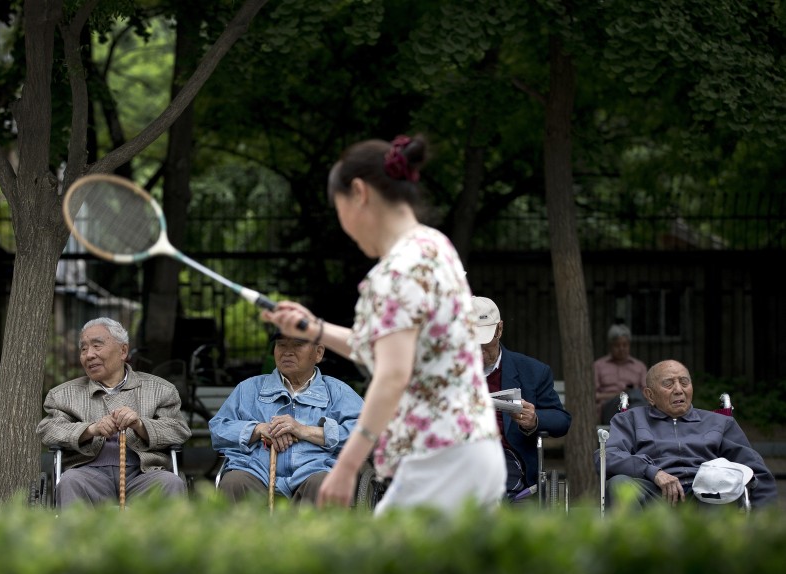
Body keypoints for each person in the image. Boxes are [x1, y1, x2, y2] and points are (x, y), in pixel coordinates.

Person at [262, 134, 505, 516]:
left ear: (359, 193)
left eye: (339, 209)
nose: (343, 226)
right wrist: (313, 328)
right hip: (473, 450)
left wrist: (345, 465)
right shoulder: (434, 246)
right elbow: (383, 346)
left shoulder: (395, 270)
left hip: (438, 460)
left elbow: (393, 373)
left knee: (385, 573)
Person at [37, 317, 191, 508]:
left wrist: (140, 425)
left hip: (143, 473)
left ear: (123, 351)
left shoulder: (160, 389)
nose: (89, 355)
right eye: (84, 349)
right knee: (69, 481)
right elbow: (48, 430)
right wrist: (90, 430)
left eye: (97, 346)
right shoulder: (63, 395)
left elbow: (179, 429)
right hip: (88, 473)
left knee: (171, 483)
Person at [596, 359, 777, 509]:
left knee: (721, 485)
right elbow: (606, 456)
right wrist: (653, 472)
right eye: (668, 383)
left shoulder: (719, 422)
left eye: (684, 382)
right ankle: (631, 551)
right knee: (619, 484)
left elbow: (756, 471)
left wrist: (763, 524)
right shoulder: (630, 420)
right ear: (650, 395)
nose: (678, 389)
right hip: (653, 494)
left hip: (705, 498)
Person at [210, 331, 364, 505]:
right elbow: (218, 430)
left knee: (324, 484)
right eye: (281, 345)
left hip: (314, 472)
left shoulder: (338, 392)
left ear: (318, 353)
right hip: (256, 472)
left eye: (298, 344)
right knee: (234, 482)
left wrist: (304, 431)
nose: (287, 352)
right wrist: (258, 429)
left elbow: (366, 435)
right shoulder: (248, 389)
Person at [471, 296, 572, 501]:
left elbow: (561, 421)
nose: (479, 349)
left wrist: (534, 420)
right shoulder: (446, 371)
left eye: (485, 340)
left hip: (504, 454)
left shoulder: (532, 371)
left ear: (499, 329)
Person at [594, 323, 648, 422]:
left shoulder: (639, 366)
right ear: (610, 346)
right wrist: (619, 394)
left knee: (635, 400)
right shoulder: (598, 366)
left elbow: (646, 393)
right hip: (610, 408)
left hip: (634, 406)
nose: (621, 349)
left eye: (625, 345)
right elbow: (594, 395)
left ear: (629, 345)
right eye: (617, 345)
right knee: (630, 396)